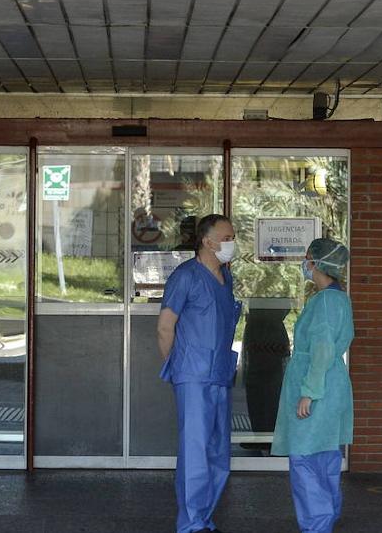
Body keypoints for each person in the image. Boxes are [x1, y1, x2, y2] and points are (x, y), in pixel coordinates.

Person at [157, 213, 242, 533]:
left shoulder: (225, 277)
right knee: (195, 450)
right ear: (208, 242)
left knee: (218, 451)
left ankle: (204, 517)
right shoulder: (186, 276)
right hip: (192, 376)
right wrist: (178, 369)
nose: (232, 244)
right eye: (227, 238)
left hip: (218, 373)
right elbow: (165, 327)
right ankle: (191, 523)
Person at [271, 238, 355, 533]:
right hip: (329, 386)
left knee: (305, 458)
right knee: (324, 455)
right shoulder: (335, 298)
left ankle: (317, 524)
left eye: (307, 258)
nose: (304, 264)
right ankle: (325, 517)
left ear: (317, 264)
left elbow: (321, 350)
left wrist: (309, 392)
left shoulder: (325, 303)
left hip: (318, 389)